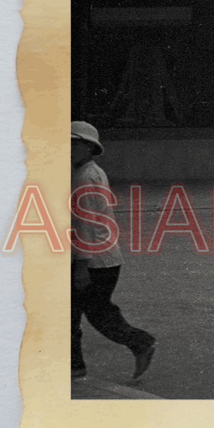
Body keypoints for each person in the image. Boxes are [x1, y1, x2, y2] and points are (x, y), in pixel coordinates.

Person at [71, 122, 157, 381]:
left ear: (89, 148)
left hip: (94, 261)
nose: (69, 148)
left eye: (75, 144)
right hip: (101, 257)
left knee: (94, 314)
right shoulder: (85, 171)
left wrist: (81, 266)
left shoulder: (86, 176)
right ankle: (75, 367)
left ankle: (140, 343)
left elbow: (87, 222)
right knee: (81, 313)